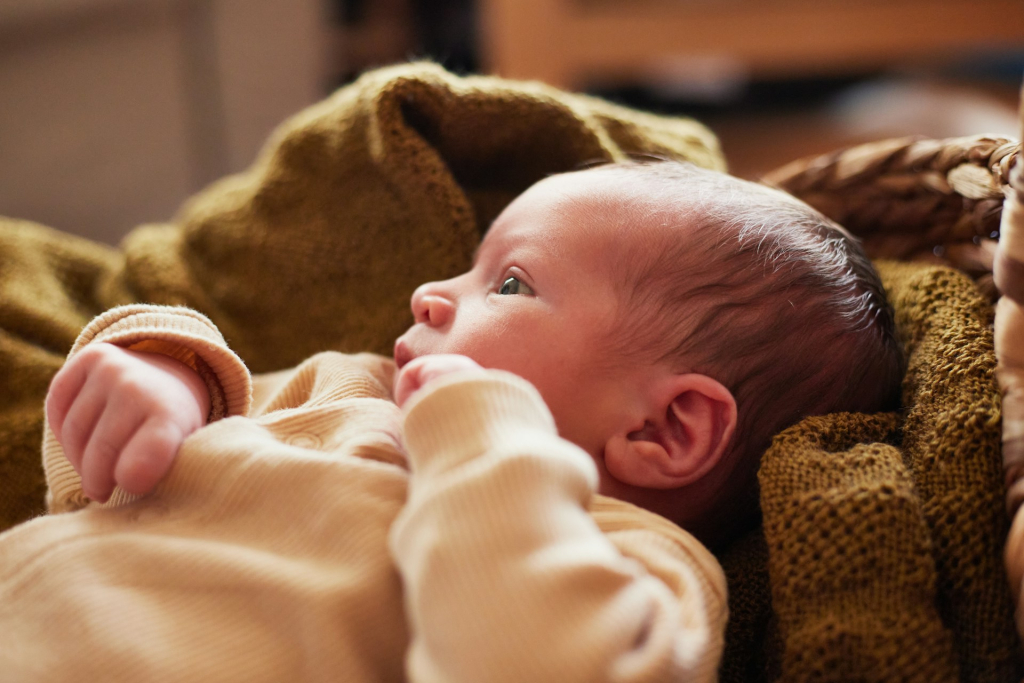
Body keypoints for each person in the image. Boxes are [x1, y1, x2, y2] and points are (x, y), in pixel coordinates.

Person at [0, 161, 903, 682]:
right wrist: (165, 377)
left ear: (665, 432)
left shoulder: (636, 565)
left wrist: (488, 438)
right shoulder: (351, 386)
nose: (430, 293)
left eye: (509, 282)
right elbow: (105, 486)